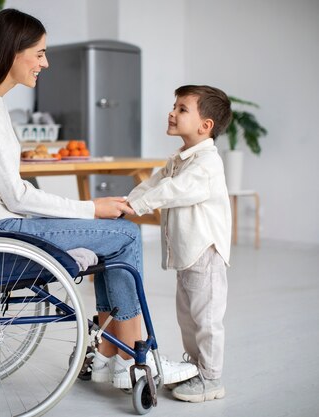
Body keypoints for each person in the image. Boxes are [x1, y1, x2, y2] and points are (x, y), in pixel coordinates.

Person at [0, 8, 196, 390]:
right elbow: (17, 196)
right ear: (11, 52)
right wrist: (91, 208)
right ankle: (135, 355)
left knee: (114, 233)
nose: (45, 62)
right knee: (125, 234)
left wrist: (91, 213)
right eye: (38, 53)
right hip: (6, 228)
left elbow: (9, 189)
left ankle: (109, 353)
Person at [127, 85, 232, 402]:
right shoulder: (179, 159)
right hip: (186, 255)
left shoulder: (207, 164)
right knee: (187, 318)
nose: (172, 112)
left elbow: (175, 190)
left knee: (207, 320)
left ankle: (211, 378)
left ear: (205, 125)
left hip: (205, 253)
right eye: (174, 106)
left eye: (182, 109)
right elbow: (153, 183)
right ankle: (195, 368)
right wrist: (125, 203)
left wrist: (138, 207)